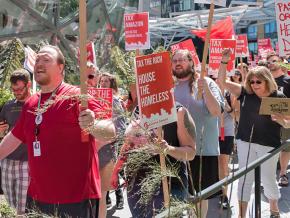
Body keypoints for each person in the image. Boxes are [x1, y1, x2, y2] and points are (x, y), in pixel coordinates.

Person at [0, 45, 116, 217]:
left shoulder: (77, 95)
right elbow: (14, 138)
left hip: (76, 200)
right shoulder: (31, 103)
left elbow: (110, 131)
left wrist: (92, 125)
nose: (39, 62)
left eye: (46, 59)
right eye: (38, 59)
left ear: (60, 68)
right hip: (38, 199)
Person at [218, 49, 290, 218]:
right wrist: (224, 61)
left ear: (267, 81)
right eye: (252, 81)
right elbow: (222, 82)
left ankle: (274, 209)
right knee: (244, 179)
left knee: (268, 178)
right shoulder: (245, 93)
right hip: (245, 141)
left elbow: (288, 123)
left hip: (269, 144)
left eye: (258, 81)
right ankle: (242, 215)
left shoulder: (278, 96)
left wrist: (279, 119)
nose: (255, 84)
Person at [111, 104, 196, 217]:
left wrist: (167, 149)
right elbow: (129, 143)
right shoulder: (138, 109)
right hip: (137, 185)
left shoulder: (179, 112)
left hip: (169, 184)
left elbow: (190, 153)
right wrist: (116, 170)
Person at [172, 49, 224, 218]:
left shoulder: (207, 82)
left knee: (200, 197)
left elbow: (217, 111)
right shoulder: (168, 87)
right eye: (175, 61)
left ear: (191, 63)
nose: (178, 63)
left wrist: (205, 90)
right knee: (179, 196)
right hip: (176, 151)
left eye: (182, 60)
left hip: (203, 150)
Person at [0, 69, 31, 215]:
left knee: (22, 207)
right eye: (14, 90)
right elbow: (2, 132)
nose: (17, 92)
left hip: (27, 163)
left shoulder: (37, 104)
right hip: (6, 161)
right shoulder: (7, 106)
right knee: (10, 205)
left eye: (20, 89)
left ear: (28, 85)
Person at [97, 72, 126, 217]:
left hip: (110, 145)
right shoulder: (94, 99)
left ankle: (119, 197)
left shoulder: (115, 101)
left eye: (106, 82)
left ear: (111, 84)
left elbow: (121, 126)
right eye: (101, 81)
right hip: (97, 146)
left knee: (113, 174)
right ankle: (106, 200)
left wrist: (113, 140)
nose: (102, 84)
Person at [266, 51, 290, 187]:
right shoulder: (265, 81)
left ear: (281, 63)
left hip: (285, 120)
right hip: (267, 121)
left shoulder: (288, 80)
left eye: (274, 61)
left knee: (285, 148)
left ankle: (282, 174)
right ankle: (268, 176)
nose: (271, 64)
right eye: (269, 62)